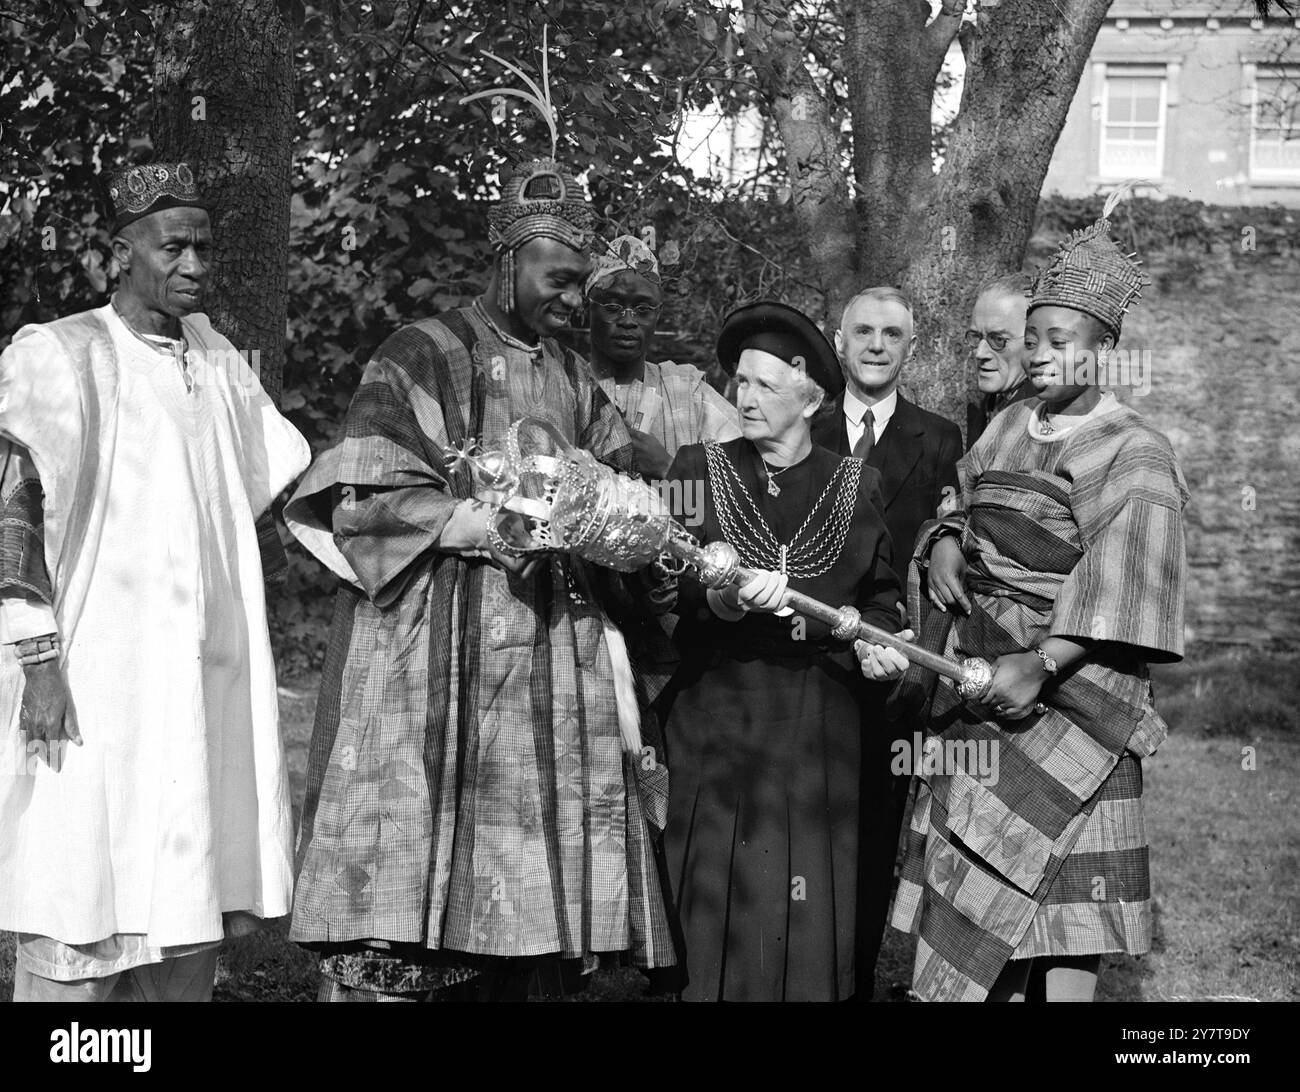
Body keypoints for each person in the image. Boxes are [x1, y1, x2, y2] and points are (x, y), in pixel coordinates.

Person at [282, 157, 678, 1001]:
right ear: (507, 261)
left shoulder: (574, 376)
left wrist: (629, 523)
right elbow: (365, 494)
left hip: (544, 648)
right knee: (412, 881)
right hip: (433, 649)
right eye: (557, 278)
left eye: (581, 285)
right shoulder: (422, 352)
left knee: (521, 901)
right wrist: (478, 522)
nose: (572, 301)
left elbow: (619, 489)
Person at [0, 161, 310, 1001]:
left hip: (201, 677)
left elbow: (273, 487)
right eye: (175, 247)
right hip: (93, 673)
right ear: (119, 255)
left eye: (205, 249)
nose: (196, 266)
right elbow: (13, 515)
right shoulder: (59, 352)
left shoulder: (212, 355)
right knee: (82, 889)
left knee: (187, 892)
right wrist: (37, 663)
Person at [890, 201, 1189, 1002]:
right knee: (975, 878)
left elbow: (1127, 578)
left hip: (1072, 698)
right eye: (1035, 337)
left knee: (1063, 904)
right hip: (980, 676)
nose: (1042, 354)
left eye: (1063, 342)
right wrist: (947, 537)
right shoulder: (1009, 422)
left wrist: (1045, 661)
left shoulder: (1136, 449)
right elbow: (964, 495)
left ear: (1105, 350)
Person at [657, 300, 908, 1002]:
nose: (745, 398)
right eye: (740, 382)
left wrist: (876, 642)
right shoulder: (694, 467)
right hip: (717, 714)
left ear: (811, 396)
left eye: (766, 385)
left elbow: (883, 598)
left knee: (805, 904)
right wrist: (721, 600)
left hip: (818, 723)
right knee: (713, 896)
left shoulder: (856, 482)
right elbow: (662, 594)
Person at [810, 285, 962, 1000]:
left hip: (888, 674)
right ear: (838, 343)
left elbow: (949, 537)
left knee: (872, 838)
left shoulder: (939, 438)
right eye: (862, 331)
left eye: (891, 334)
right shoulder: (800, 425)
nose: (875, 345)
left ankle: (855, 982)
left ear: (910, 348)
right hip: (804, 662)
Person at [585, 233, 741, 479]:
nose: (628, 320)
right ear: (588, 308)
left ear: (657, 315)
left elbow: (747, 481)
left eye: (643, 309)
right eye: (613, 307)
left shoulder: (688, 394)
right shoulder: (568, 389)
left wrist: (668, 468)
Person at [964, 272, 1036, 450]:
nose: (980, 353)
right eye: (976, 336)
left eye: (998, 340)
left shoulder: (1042, 419)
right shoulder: (991, 403)